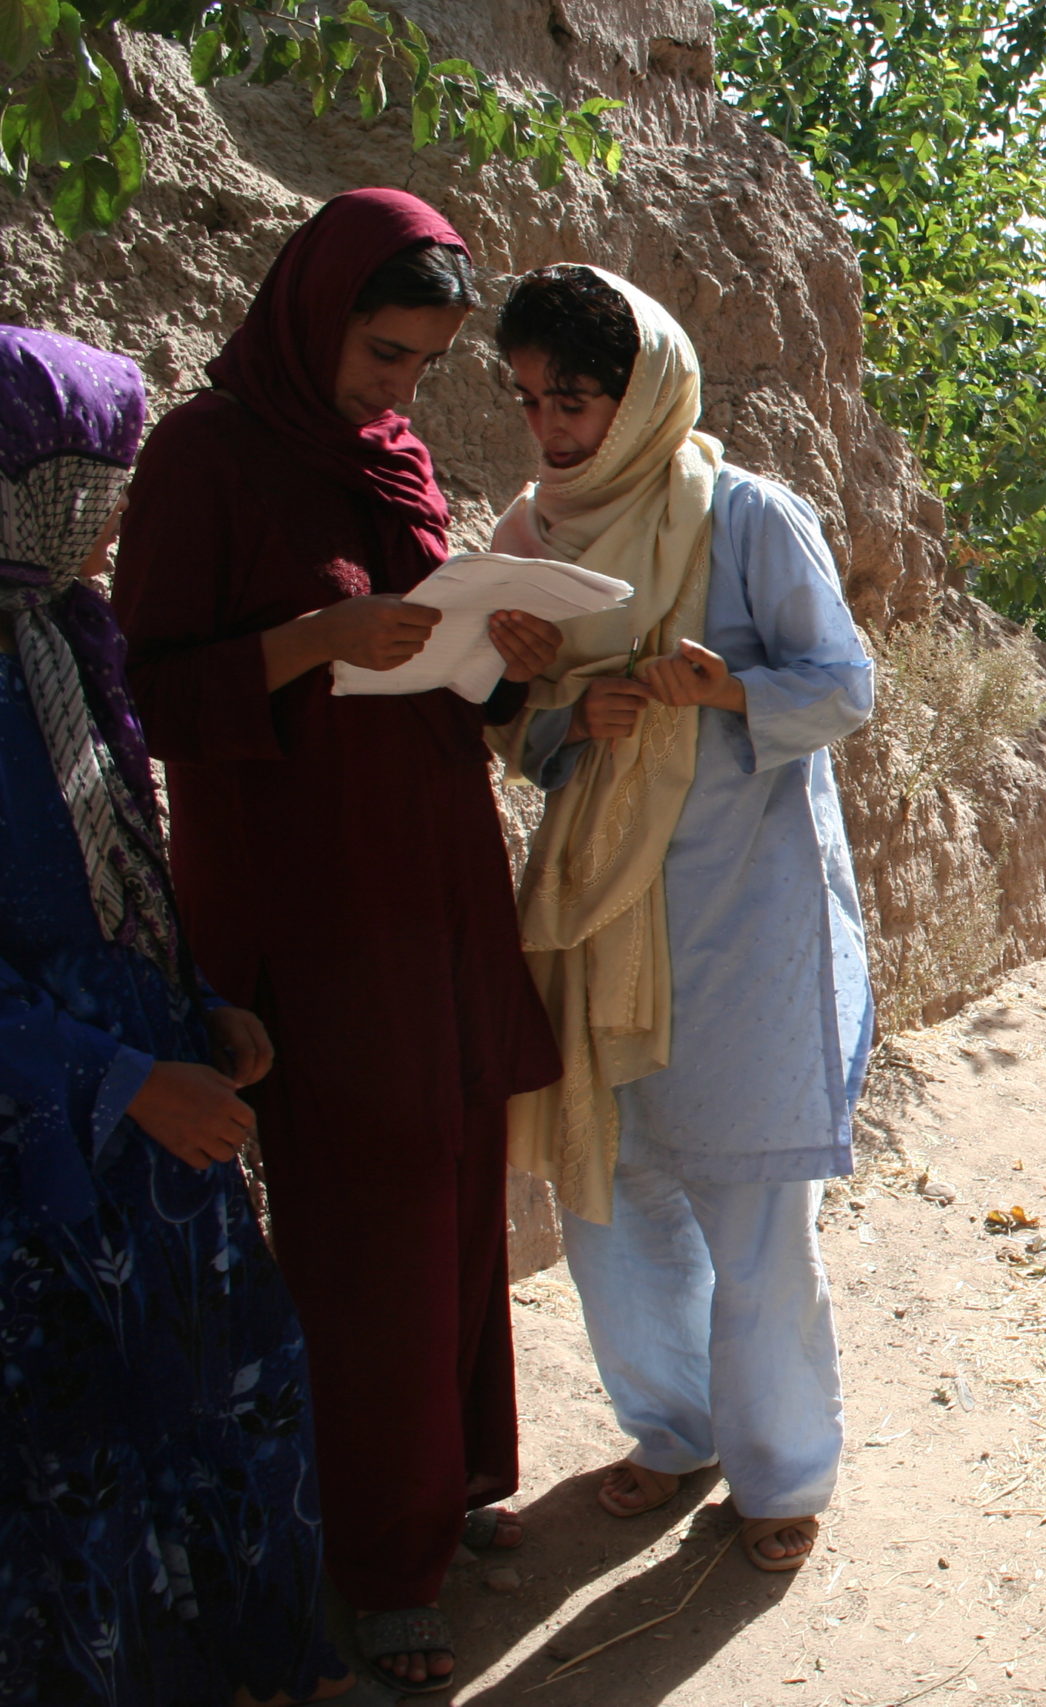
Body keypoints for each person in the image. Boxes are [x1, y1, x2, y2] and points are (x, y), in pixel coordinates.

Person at [111, 191, 566, 1696]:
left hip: (428, 882)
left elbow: (436, 675)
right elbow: (152, 701)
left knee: (446, 1188)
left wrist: (500, 663)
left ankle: (444, 1487)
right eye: (383, 353)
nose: (398, 389)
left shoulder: (394, 457)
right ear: (312, 315)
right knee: (363, 1227)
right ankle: (378, 1568)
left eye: (425, 362)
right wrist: (313, 638)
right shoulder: (204, 456)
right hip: (308, 901)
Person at [489, 265, 875, 1573]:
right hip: (601, 915)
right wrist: (560, 716)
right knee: (613, 1199)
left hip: (742, 917)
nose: (552, 430)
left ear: (643, 390)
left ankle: (781, 1471)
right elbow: (510, 723)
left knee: (753, 1208)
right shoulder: (531, 534)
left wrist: (723, 690)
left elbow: (843, 688)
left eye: (578, 401)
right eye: (533, 400)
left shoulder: (746, 516)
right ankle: (674, 1429)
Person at [0, 327, 354, 1707]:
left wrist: (196, 1002)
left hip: (155, 1093)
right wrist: (119, 1074)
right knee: (66, 1441)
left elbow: (117, 857)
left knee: (232, 1380)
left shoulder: (63, 636)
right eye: (93, 486)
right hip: (44, 1129)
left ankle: (252, 1652)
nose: (115, 520)